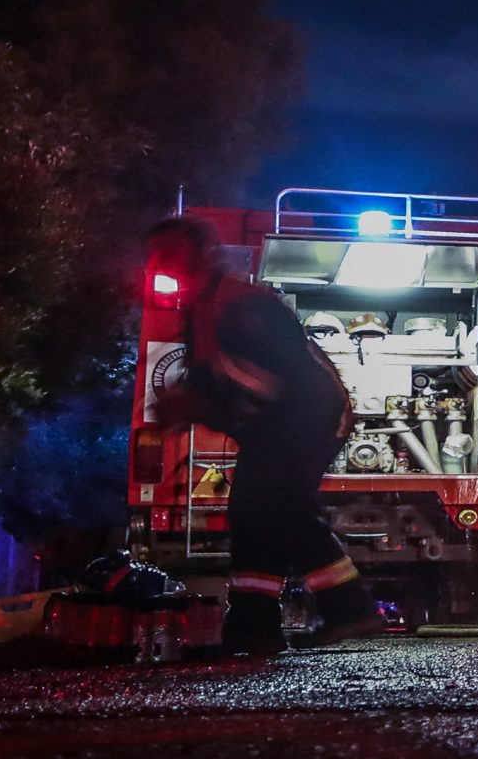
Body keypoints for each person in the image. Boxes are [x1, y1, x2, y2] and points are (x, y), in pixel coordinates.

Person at [145, 216, 381, 656]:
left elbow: (275, 379)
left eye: (171, 250)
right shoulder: (204, 308)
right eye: (158, 252)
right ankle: (261, 625)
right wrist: (192, 402)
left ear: (202, 254)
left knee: (275, 510)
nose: (163, 260)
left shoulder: (241, 305)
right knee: (259, 516)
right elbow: (217, 379)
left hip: (306, 419)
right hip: (275, 426)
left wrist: (197, 404)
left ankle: (340, 611)